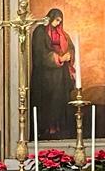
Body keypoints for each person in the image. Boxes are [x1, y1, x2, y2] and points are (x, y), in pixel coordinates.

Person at [29, 8, 77, 139]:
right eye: (56, 20)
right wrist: (58, 58)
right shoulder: (40, 31)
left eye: (60, 21)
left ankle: (58, 127)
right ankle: (47, 128)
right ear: (50, 17)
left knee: (60, 99)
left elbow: (71, 47)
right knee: (48, 101)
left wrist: (69, 55)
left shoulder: (62, 33)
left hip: (60, 75)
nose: (58, 23)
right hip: (45, 75)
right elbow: (40, 53)